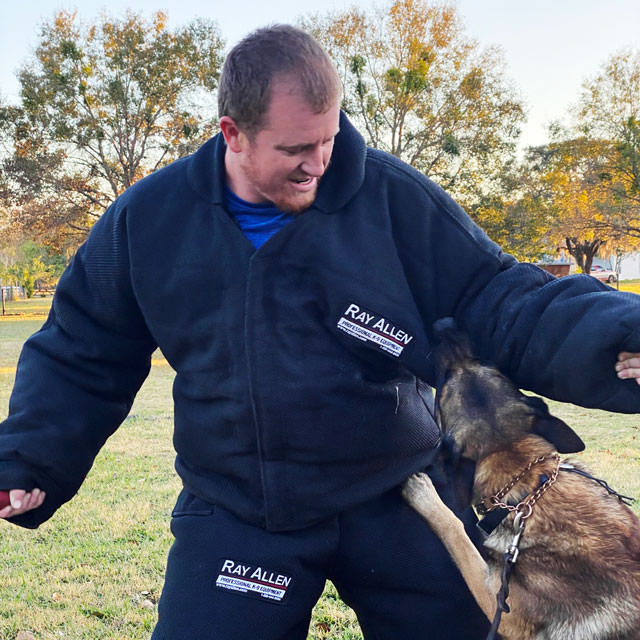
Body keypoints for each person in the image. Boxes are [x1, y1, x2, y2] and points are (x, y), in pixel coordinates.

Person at [1, 24, 640, 640]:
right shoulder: (149, 221)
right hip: (245, 502)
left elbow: (499, 297)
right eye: (295, 150)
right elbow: (83, 349)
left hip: (400, 490)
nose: (319, 164)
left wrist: (621, 336)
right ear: (234, 134)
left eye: (329, 140)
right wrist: (32, 457)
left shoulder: (391, 200)